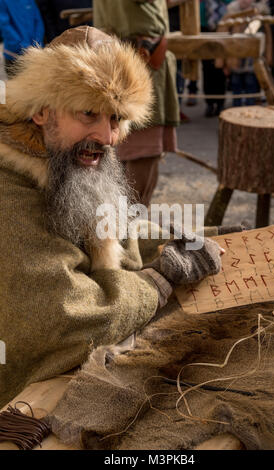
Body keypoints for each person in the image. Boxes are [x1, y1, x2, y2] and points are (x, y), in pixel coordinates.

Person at [0, 25, 226, 409]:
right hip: (23, 397)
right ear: (41, 110)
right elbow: (66, 318)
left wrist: (197, 237)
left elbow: (115, 229)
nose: (107, 136)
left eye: (117, 119)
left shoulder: (65, 157)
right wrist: (159, 280)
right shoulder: (11, 192)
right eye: (88, 113)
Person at [93, 0, 180, 207]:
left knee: (132, 147)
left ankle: (125, 224)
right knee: (143, 147)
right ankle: (128, 228)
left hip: (134, 57)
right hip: (136, 62)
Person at [0, 0, 44, 77]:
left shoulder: (30, 1)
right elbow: (5, 27)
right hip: (14, 56)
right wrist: (24, 46)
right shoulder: (3, 2)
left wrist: (36, 44)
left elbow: (38, 22)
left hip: (35, 54)